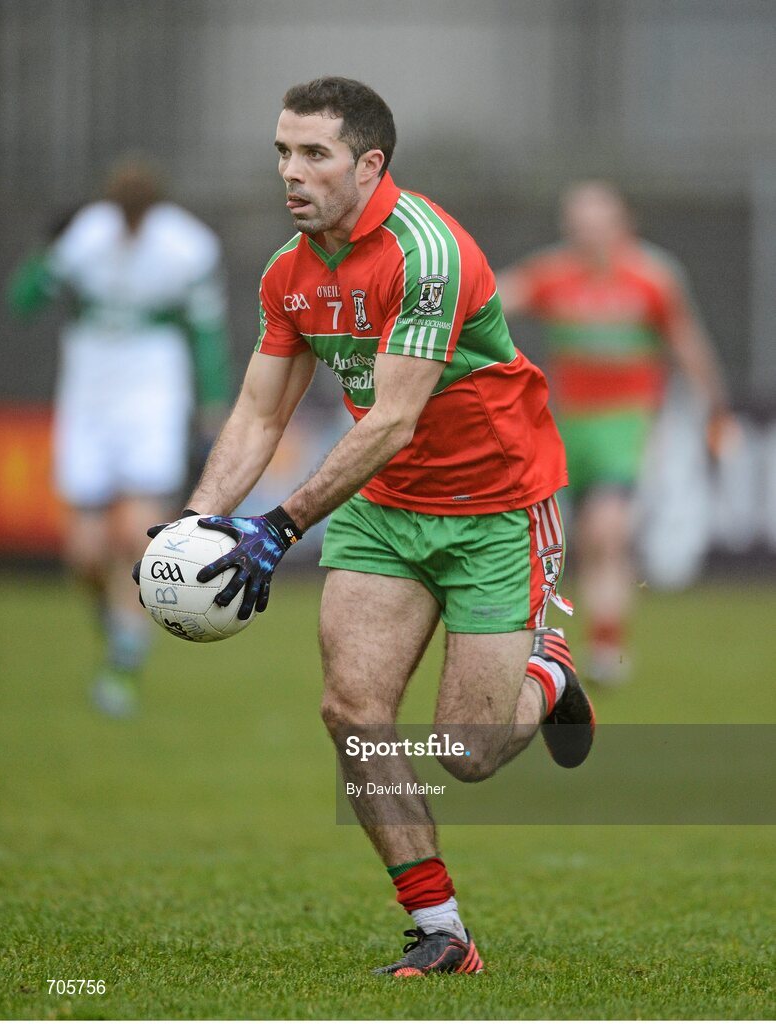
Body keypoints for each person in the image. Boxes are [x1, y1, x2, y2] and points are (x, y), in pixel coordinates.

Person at [138, 77, 594, 976]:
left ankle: (548, 672)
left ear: (370, 163)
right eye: (282, 152)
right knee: (352, 711)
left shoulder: (428, 253)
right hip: (384, 512)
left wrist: (279, 527)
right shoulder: (289, 271)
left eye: (314, 154)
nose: (291, 173)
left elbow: (390, 420)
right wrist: (197, 521)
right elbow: (261, 412)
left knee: (468, 752)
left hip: (493, 506)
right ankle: (442, 931)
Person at [8, 158, 230, 717]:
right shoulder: (87, 235)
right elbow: (25, 300)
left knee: (136, 529)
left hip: (152, 390)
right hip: (88, 392)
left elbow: (205, 330)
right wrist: (47, 250)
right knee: (82, 551)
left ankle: (124, 663)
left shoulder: (187, 246)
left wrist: (211, 405)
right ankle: (114, 620)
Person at [497, 181, 734, 684]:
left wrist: (716, 407)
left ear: (623, 221)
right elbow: (493, 300)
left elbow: (687, 342)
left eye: (597, 221)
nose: (588, 232)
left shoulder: (652, 277)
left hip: (628, 423)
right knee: (584, 539)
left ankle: (606, 650)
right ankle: (581, 637)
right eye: (578, 222)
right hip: (569, 425)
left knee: (608, 530)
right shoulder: (555, 274)